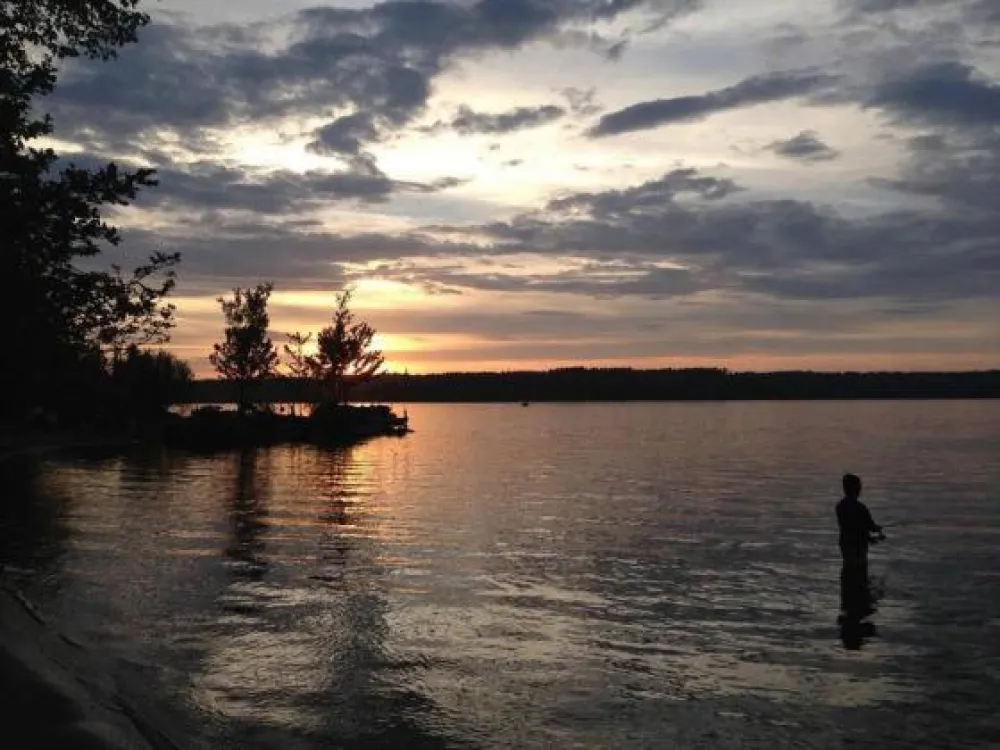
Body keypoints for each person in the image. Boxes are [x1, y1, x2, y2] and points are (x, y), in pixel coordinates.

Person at [836, 473, 885, 619]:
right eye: (859, 487)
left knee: (848, 571)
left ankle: (849, 602)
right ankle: (859, 601)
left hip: (845, 544)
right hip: (858, 546)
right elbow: (868, 526)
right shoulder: (860, 508)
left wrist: (871, 535)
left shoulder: (840, 506)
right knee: (859, 573)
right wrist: (876, 533)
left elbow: (854, 527)